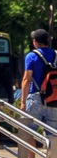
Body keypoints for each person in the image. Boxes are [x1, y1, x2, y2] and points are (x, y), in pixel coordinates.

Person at [20, 29, 57, 158]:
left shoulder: (31, 56)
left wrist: (23, 101)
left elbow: (27, 79)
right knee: (53, 134)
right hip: (53, 98)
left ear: (35, 42)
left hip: (35, 98)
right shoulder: (56, 55)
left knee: (28, 132)